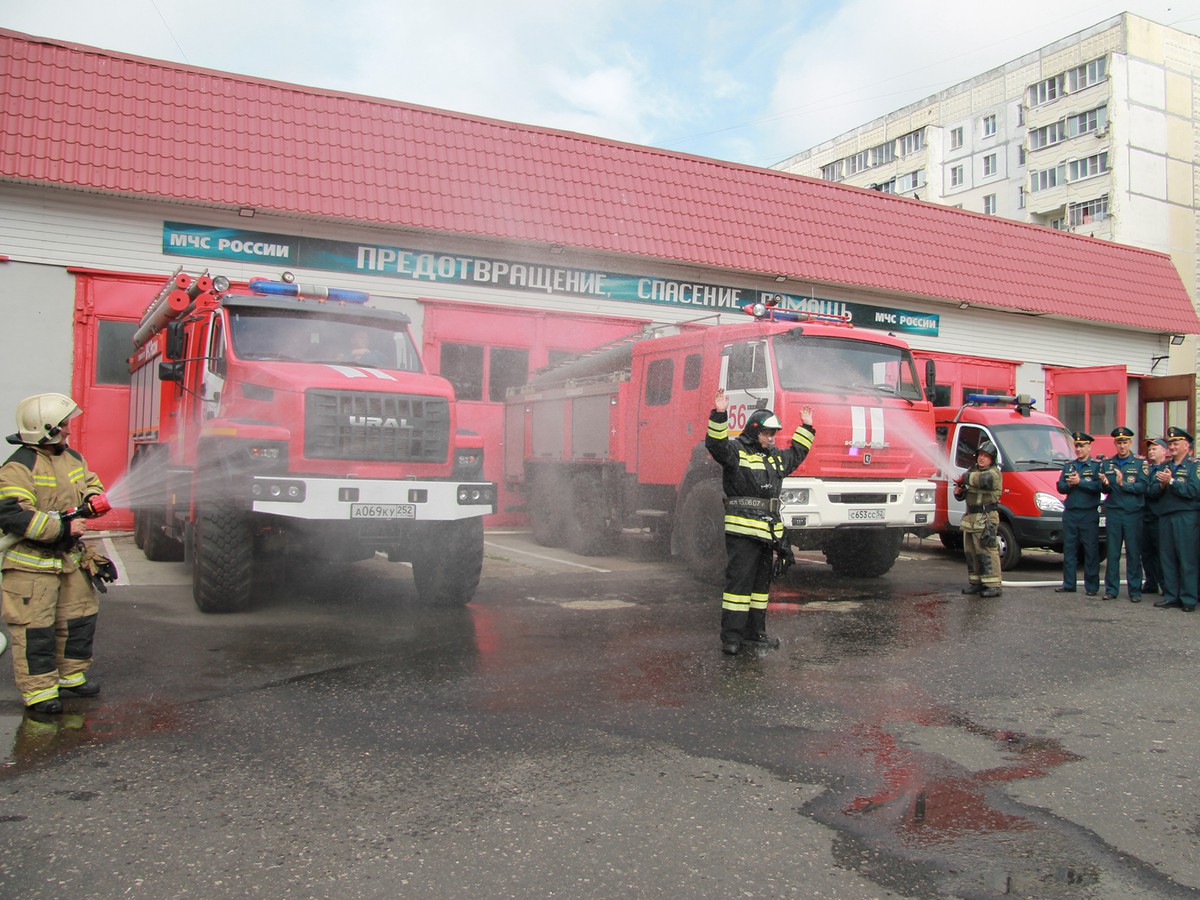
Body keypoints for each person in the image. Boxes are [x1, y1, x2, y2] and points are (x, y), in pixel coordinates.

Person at [0, 393, 114, 714]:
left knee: (79, 618)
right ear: (45, 428)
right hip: (30, 567)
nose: (68, 430)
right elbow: (13, 514)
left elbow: (91, 484)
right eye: (63, 425)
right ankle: (39, 692)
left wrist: (93, 500)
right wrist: (63, 529)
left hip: (69, 561)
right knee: (35, 629)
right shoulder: (17, 467)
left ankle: (71, 677)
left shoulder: (72, 458)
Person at [706, 389, 814, 656]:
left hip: (767, 533)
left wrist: (807, 427)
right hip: (743, 533)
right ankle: (731, 638)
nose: (771, 438)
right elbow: (716, 445)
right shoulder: (736, 451)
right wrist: (720, 415)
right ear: (755, 431)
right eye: (767, 433)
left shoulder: (775, 457)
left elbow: (797, 453)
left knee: (759, 590)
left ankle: (755, 634)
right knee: (738, 588)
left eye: (773, 434)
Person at [1147, 426, 1200, 612]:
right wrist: (1161, 485)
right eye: (1170, 443)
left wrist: (1171, 482)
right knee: (1167, 558)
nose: (1172, 446)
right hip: (1165, 516)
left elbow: (1194, 491)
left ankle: (1189, 598)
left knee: (1187, 558)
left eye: (1176, 443)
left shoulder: (1194, 466)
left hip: (1186, 516)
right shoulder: (1164, 467)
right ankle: (1171, 595)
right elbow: (1151, 492)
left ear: (1186, 445)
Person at [1099, 426, 1148, 601]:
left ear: (1130, 443)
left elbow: (1143, 487)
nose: (1122, 446)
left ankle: (1134, 590)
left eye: (1125, 442)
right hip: (1114, 512)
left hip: (1133, 513)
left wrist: (1123, 484)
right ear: (1115, 443)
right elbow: (1105, 490)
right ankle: (1111, 589)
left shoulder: (1139, 463)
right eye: (1119, 442)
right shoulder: (1107, 464)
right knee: (1113, 553)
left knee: (1133, 552)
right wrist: (1105, 483)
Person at [1056, 431, 1102, 596]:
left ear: (1089, 447)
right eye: (1076, 445)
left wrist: (1080, 482)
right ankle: (1069, 584)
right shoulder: (1069, 466)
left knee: (1090, 551)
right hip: (1071, 513)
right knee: (1069, 550)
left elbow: (1099, 487)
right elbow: (1060, 487)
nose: (1079, 449)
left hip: (1088, 514)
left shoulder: (1096, 466)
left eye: (1082, 446)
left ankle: (1091, 586)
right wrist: (1070, 485)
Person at [954, 441, 1003, 597]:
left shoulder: (994, 473)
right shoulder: (973, 471)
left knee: (986, 551)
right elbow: (965, 493)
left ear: (992, 459)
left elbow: (982, 480)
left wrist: (964, 478)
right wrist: (959, 491)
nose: (981, 459)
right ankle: (976, 582)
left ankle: (993, 584)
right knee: (971, 552)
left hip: (986, 517)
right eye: (980, 455)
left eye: (986, 456)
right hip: (971, 517)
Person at [1140, 438, 1168, 594]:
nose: (1151, 451)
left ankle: (1165, 585)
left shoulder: (1166, 469)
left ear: (1164, 451)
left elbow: (1153, 491)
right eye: (1149, 449)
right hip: (1145, 515)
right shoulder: (1147, 469)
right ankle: (1150, 582)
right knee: (1146, 551)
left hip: (1159, 516)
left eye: (1154, 449)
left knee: (1161, 552)